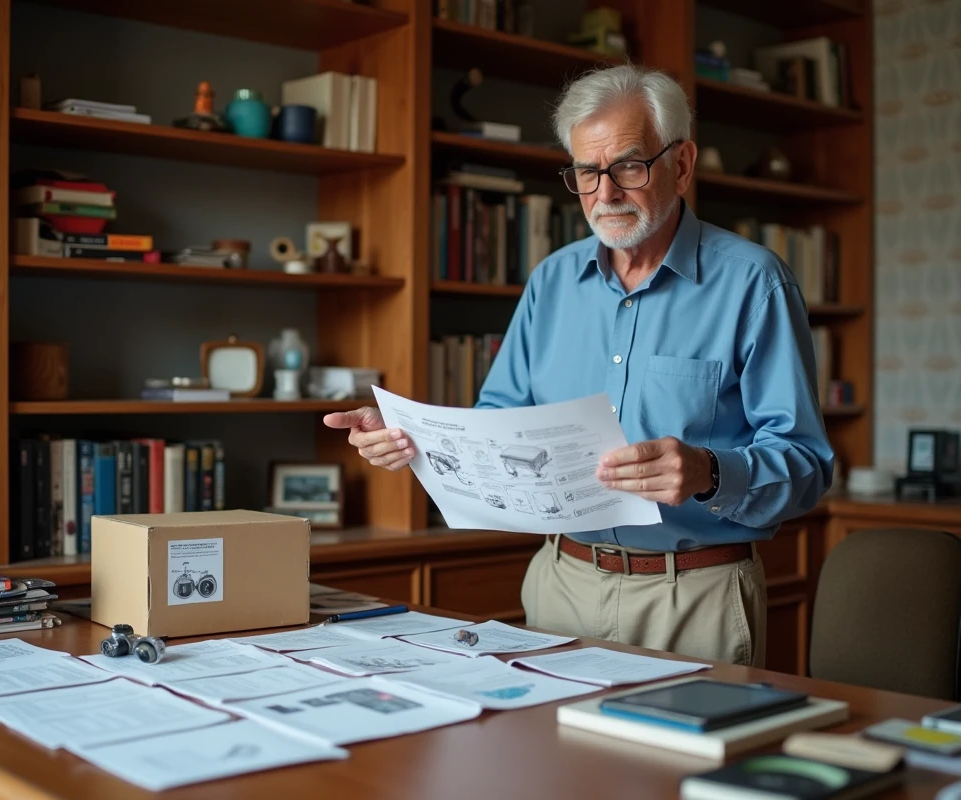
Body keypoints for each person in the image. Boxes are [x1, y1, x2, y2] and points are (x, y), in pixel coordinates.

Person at [323, 64, 833, 667]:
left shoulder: (754, 282)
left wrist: (710, 472)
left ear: (683, 163)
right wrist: (411, 441)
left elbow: (807, 465)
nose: (606, 194)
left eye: (629, 166)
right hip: (559, 583)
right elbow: (496, 428)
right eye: (587, 173)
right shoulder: (552, 281)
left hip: (694, 594)